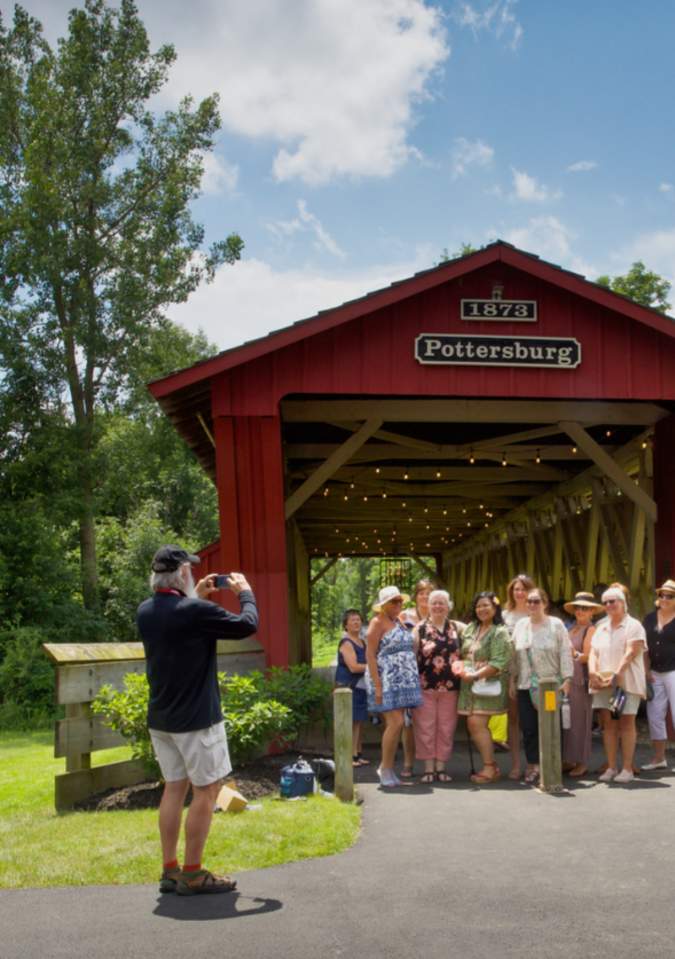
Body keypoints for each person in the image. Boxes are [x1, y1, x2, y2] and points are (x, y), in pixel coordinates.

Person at [137, 545, 258, 895]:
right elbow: (247, 624)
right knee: (206, 790)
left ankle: (169, 870)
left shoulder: (145, 611)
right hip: (197, 719)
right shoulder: (193, 611)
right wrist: (245, 593)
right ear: (184, 574)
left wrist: (199, 597)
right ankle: (193, 872)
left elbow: (180, 618)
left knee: (174, 788)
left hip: (161, 717)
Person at [512, 587, 573, 785]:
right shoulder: (521, 625)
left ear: (545, 603)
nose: (531, 604)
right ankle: (533, 765)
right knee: (529, 728)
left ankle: (552, 764)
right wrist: (512, 680)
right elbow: (514, 655)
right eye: (529, 601)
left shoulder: (556, 625)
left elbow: (565, 651)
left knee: (551, 726)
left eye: (536, 601)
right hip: (525, 684)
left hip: (550, 684)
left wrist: (567, 678)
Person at [588, 586, 647, 784]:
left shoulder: (634, 625)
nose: (609, 605)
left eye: (613, 601)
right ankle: (612, 767)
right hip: (605, 685)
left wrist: (617, 673)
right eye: (605, 602)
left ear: (623, 602)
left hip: (624, 685)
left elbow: (632, 651)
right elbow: (593, 653)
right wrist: (592, 672)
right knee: (609, 724)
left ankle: (627, 769)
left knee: (626, 723)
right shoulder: (601, 627)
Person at [366, 585, 423, 788]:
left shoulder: (398, 621)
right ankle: (384, 768)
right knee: (396, 723)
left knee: (399, 724)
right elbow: (370, 655)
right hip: (387, 681)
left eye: (400, 601)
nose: (399, 604)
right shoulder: (376, 622)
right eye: (394, 601)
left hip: (403, 681)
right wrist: (378, 687)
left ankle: (388, 768)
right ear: (383, 605)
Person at [455, 592, 512, 784]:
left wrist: (476, 674)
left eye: (486, 605)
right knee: (474, 724)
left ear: (495, 608)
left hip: (488, 683)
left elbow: (499, 661)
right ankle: (489, 765)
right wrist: (460, 666)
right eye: (479, 606)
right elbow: (463, 653)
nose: (482, 609)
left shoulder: (500, 632)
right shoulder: (471, 628)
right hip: (469, 685)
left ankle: (490, 767)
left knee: (476, 723)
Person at [412, 589, 464, 783]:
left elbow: (476, 641)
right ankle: (428, 769)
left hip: (451, 687)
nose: (438, 606)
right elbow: (411, 654)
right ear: (428, 605)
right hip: (425, 686)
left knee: (446, 727)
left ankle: (441, 767)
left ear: (448, 606)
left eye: (442, 602)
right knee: (425, 727)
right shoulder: (420, 628)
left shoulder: (457, 627)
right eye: (434, 602)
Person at [561, 591, 603, 777]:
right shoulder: (571, 629)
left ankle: (582, 762)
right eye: (578, 607)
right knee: (567, 721)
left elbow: (588, 657)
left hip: (581, 680)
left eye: (585, 608)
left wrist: (573, 654)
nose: (580, 611)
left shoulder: (591, 630)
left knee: (581, 722)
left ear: (592, 611)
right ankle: (569, 759)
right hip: (568, 680)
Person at [500, 573, 536, 779]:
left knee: (532, 720)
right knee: (513, 720)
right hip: (511, 671)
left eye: (523, 589)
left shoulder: (536, 613)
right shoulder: (504, 615)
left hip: (533, 672)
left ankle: (534, 763)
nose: (520, 593)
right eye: (516, 589)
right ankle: (515, 763)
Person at [399, 579, 433, 777]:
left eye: (429, 593)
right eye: (421, 593)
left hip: (432, 673)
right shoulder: (406, 616)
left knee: (431, 720)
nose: (425, 597)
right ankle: (408, 763)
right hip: (410, 671)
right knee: (408, 721)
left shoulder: (438, 613)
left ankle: (433, 764)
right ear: (416, 595)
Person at [641, 580, 675, 772]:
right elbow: (644, 648)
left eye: (669, 596)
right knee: (654, 716)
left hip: (674, 671)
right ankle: (659, 758)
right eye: (661, 595)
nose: (664, 598)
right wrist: (646, 670)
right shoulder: (649, 619)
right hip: (655, 672)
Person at [335, 608, 369, 767]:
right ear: (346, 625)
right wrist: (373, 667)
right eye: (353, 620)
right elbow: (354, 667)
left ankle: (358, 753)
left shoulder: (362, 642)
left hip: (361, 687)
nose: (357, 622)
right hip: (348, 688)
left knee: (360, 722)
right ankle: (350, 756)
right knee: (352, 722)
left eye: (358, 619)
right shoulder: (346, 642)